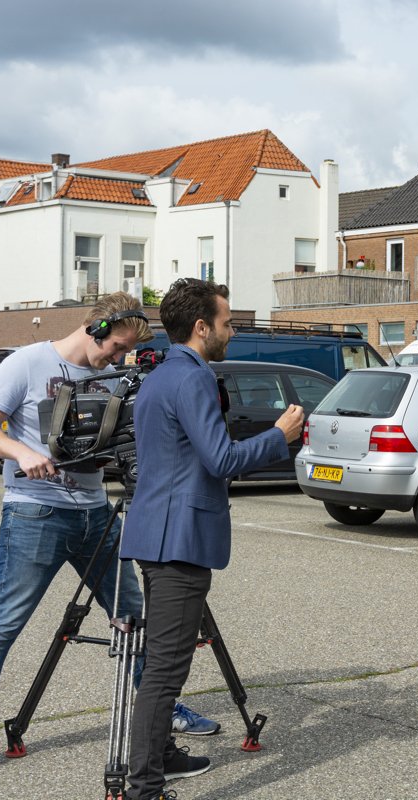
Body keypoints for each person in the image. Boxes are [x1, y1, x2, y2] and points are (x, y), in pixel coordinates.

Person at [0, 293, 218, 789]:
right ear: (95, 327)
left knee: (134, 620)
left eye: (124, 351)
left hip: (96, 515)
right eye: (116, 346)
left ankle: (161, 713)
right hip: (35, 513)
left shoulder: (112, 377)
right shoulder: (27, 363)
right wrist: (21, 453)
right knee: (2, 627)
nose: (117, 357)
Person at [120, 279, 304, 800]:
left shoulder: (159, 374)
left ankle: (161, 757)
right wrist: (279, 436)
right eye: (227, 323)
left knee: (163, 661)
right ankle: (144, 787)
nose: (232, 331)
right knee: (165, 670)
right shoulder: (194, 377)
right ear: (202, 327)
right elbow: (221, 459)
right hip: (178, 540)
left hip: (158, 534)